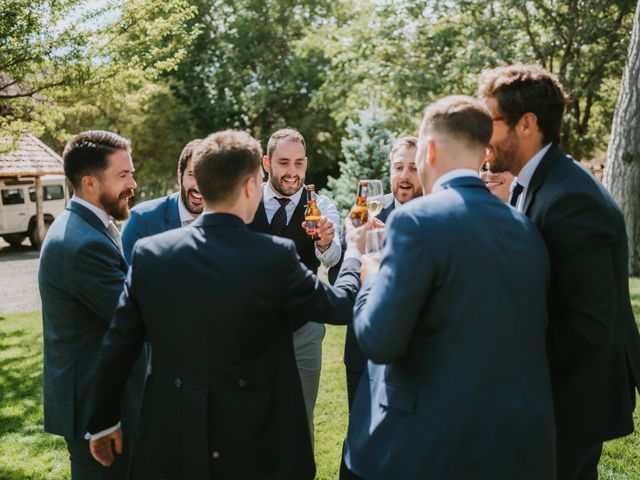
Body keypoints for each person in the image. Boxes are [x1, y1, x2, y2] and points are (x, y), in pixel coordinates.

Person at [85, 129, 366, 480]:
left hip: (176, 438)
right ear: (251, 186)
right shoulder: (275, 258)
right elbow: (341, 305)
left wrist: (101, 421)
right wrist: (354, 250)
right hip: (258, 440)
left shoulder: (151, 255)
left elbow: (118, 345)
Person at [343, 96, 555, 479]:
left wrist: (371, 275)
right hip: (510, 445)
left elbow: (379, 340)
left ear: (430, 148)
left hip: (426, 448)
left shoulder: (415, 221)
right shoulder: (523, 227)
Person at [478, 63, 640, 480]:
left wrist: (506, 359)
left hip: (572, 400)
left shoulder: (570, 199)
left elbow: (588, 325)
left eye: (489, 122)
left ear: (527, 124)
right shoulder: (537, 183)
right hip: (558, 395)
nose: (482, 137)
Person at [38, 130, 145, 479]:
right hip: (98, 412)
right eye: (123, 175)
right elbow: (132, 316)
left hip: (106, 401)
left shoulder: (88, 228)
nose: (133, 183)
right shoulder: (83, 243)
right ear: (90, 183)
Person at [247, 128, 341, 438]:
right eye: (284, 162)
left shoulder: (322, 208)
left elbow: (330, 258)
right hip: (250, 329)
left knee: (299, 421)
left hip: (303, 329)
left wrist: (326, 242)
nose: (292, 172)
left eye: (299, 163)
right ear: (266, 163)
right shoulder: (245, 200)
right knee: (249, 417)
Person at [333, 135, 422, 411]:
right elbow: (340, 275)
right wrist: (356, 246)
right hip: (362, 350)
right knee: (358, 439)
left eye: (413, 168)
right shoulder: (366, 210)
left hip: (413, 354)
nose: (404, 176)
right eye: (398, 167)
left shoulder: (434, 215)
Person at [121, 139, 202, 263]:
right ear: (180, 176)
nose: (199, 186)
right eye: (192, 174)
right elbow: (128, 277)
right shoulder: (140, 220)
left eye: (207, 176)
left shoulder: (229, 221)